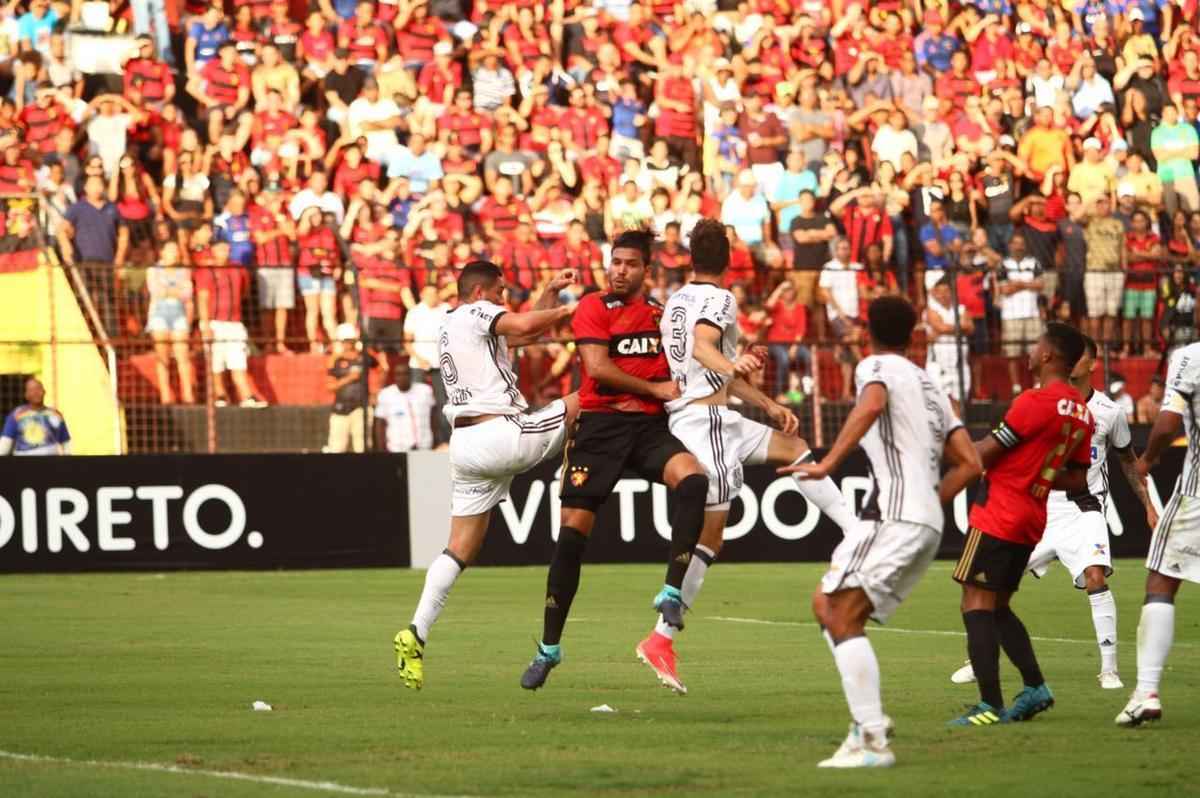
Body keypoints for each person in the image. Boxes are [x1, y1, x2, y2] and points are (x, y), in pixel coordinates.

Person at [634, 218, 854, 692]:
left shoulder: (677, 300)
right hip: (703, 424)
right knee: (710, 540)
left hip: (718, 418)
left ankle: (856, 533)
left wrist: (769, 404)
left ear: (692, 257)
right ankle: (660, 638)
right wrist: (733, 362)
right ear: (728, 257)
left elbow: (712, 365)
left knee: (794, 448)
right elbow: (705, 348)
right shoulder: (720, 299)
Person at [780, 295, 980, 768]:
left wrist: (828, 460)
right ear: (914, 335)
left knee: (838, 611)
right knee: (827, 603)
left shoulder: (875, 367)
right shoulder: (932, 386)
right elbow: (971, 463)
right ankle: (868, 722)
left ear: (867, 330)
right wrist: (930, 502)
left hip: (893, 514)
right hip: (924, 519)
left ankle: (871, 739)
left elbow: (871, 405)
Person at [519, 230, 708, 693]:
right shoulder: (592, 307)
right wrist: (655, 390)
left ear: (647, 270)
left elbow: (685, 369)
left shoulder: (660, 317)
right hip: (600, 430)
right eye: (615, 262)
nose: (619, 270)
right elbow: (598, 369)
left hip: (647, 431)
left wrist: (735, 370)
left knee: (695, 481)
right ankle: (548, 649)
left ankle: (670, 593)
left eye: (629, 264)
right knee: (571, 539)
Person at [394, 261, 579, 691]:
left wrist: (549, 294)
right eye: (499, 292)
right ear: (480, 293)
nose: (503, 299)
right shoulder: (475, 311)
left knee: (460, 547)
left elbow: (526, 330)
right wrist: (576, 310)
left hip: (467, 445)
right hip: (501, 434)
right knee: (588, 399)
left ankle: (416, 633)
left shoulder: (452, 325)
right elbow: (527, 322)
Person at [951, 335, 1157, 690]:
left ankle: (1109, 668)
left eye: (1081, 359)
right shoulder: (1041, 402)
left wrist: (1149, 507)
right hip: (1039, 507)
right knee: (992, 592)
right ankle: (980, 658)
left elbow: (1127, 462)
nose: (1074, 363)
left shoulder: (1109, 412)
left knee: (1095, 575)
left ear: (1090, 363)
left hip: (1084, 508)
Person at [950, 322, 1093, 726]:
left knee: (975, 602)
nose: (1030, 352)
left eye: (1036, 345)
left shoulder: (1034, 402)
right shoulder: (1081, 411)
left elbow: (983, 455)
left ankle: (989, 706)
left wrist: (949, 436)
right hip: (1032, 515)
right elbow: (1079, 477)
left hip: (1001, 511)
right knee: (998, 606)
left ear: (1048, 355)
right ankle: (1035, 687)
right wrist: (1039, 477)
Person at [1118, 339, 1200, 725]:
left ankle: (1146, 691)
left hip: (1196, 497)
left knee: (1161, 582)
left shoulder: (1190, 357)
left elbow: (1167, 423)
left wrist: (1148, 459)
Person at [194, 240, 268, 408]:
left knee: (239, 361)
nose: (225, 252)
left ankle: (246, 396)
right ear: (212, 250)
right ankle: (220, 396)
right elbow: (202, 298)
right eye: (220, 249)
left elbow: (244, 291)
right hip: (214, 323)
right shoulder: (207, 271)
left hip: (235, 323)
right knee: (216, 362)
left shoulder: (238, 269)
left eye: (227, 248)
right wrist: (205, 325)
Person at [145, 241, 196, 405]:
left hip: (179, 315)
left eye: (176, 250)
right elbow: (156, 291)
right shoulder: (153, 271)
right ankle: (165, 395)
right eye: (170, 250)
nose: (174, 254)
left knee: (183, 356)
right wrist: (175, 292)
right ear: (162, 252)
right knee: (163, 357)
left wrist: (171, 292)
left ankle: (188, 394)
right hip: (159, 315)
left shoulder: (184, 271)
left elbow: (187, 293)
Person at [925, 277, 973, 416]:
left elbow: (969, 327)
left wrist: (945, 328)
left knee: (958, 402)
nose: (943, 295)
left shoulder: (961, 309)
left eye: (946, 291)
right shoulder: (931, 310)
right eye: (939, 292)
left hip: (959, 362)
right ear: (934, 293)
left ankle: (957, 433)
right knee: (940, 402)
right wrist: (960, 328)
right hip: (938, 363)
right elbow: (940, 327)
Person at [325, 323, 377, 454]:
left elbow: (383, 368)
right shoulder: (335, 360)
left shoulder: (364, 356)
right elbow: (330, 386)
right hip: (340, 410)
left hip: (361, 408)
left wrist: (376, 392)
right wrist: (349, 378)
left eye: (350, 340)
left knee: (362, 449)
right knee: (336, 449)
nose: (348, 344)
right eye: (345, 341)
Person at [374, 358, 437, 453]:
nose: (402, 377)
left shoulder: (425, 391)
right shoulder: (386, 394)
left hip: (424, 447)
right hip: (397, 449)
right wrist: (382, 449)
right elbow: (379, 424)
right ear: (394, 377)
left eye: (405, 374)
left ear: (411, 375)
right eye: (398, 374)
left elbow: (434, 417)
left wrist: (436, 441)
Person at [0, 377, 71, 455]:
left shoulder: (55, 414)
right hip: (23, 462)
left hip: (51, 462)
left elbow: (66, 443)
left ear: (44, 391)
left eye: (38, 388)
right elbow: (5, 443)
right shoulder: (16, 415)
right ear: (26, 394)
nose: (35, 392)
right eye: (31, 390)